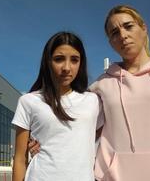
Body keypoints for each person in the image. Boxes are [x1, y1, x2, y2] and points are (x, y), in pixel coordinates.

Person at [29, 5, 150, 181]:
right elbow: (76, 128)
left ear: (144, 28)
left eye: (128, 26)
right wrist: (39, 140)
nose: (123, 35)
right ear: (111, 42)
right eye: (114, 32)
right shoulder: (101, 85)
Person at [11, 31, 103, 181]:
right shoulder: (28, 101)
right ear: (48, 62)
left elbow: (104, 136)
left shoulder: (93, 101)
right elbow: (20, 158)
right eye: (59, 59)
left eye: (74, 60)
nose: (67, 67)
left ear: (81, 63)